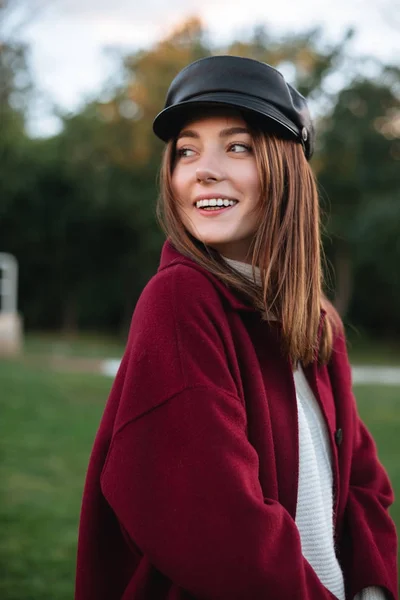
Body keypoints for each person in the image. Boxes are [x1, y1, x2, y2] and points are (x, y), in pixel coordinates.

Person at [75, 56, 398, 600]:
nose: (204, 168)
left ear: (286, 168)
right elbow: (217, 525)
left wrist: (372, 586)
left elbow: (363, 483)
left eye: (238, 146)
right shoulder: (180, 299)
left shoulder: (315, 323)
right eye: (187, 151)